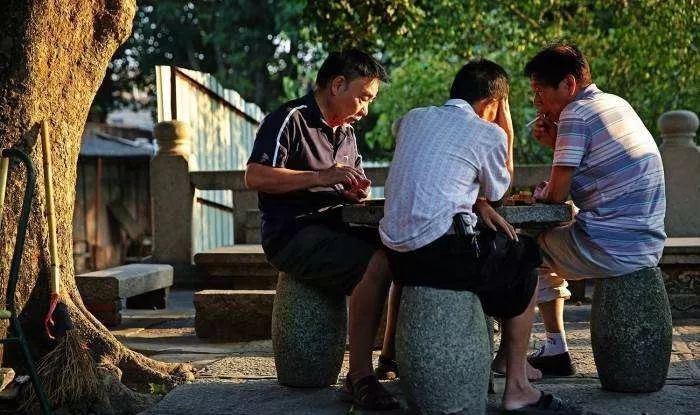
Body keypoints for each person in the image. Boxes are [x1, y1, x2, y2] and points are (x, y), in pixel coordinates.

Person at [379, 59, 569, 412]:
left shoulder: (414, 118)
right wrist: (506, 130)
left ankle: (391, 358)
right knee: (524, 256)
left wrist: (475, 201)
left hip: (397, 259)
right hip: (440, 256)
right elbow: (500, 189)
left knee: (490, 251)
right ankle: (518, 386)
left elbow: (440, 171)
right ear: (492, 105)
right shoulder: (490, 132)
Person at [245, 49, 399, 410]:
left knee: (403, 246)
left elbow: (351, 184)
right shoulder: (290, 118)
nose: (365, 111)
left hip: (336, 226)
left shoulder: (346, 133)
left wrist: (355, 191)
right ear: (337, 84)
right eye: (363, 98)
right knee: (375, 261)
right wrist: (322, 176)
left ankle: (389, 358)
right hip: (292, 233)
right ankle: (359, 375)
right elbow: (255, 176)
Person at [524, 43, 666, 376]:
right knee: (548, 241)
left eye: (539, 91)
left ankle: (518, 356)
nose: (537, 103)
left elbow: (557, 196)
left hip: (613, 245)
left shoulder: (575, 113)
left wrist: (545, 189)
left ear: (569, 85)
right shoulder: (615, 103)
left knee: (522, 249)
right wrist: (556, 143)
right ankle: (555, 350)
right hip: (644, 239)